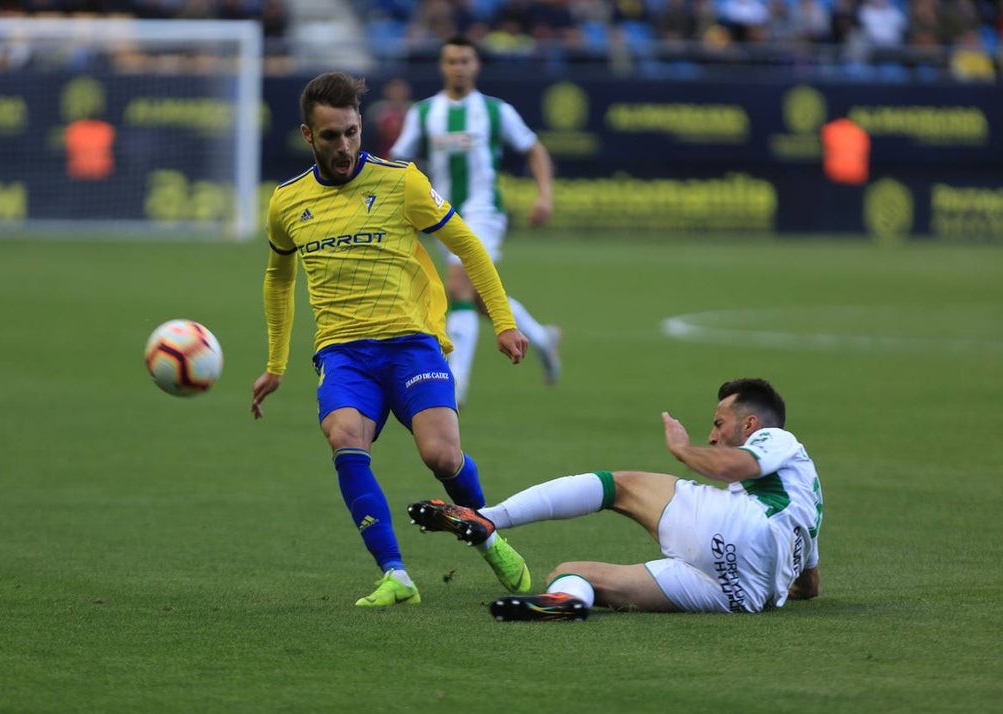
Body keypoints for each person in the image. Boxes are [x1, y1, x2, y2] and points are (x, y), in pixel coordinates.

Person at [251, 72, 532, 607]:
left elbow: (469, 247)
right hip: (343, 353)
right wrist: (275, 363)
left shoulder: (401, 181)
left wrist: (503, 321)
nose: (344, 146)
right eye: (331, 135)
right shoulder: (286, 203)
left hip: (410, 344)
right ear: (308, 136)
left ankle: (489, 535)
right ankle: (395, 575)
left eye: (352, 132)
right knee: (344, 438)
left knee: (442, 457)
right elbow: (277, 278)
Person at [408, 378, 823, 620]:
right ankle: (568, 601)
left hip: (739, 530)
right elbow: (810, 583)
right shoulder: (807, 502)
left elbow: (736, 466)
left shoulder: (777, 438)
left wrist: (683, 451)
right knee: (571, 572)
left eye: (718, 423)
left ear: (750, 423)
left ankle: (487, 518)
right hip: (740, 595)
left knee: (619, 486)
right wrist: (783, 586)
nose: (712, 435)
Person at [388, 34, 561, 409]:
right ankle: (542, 339)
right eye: (452, 61)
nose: (459, 67)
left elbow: (534, 149)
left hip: (485, 212)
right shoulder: (424, 113)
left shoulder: (496, 111)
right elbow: (398, 161)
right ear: (442, 66)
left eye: (465, 60)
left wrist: (544, 194)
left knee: (459, 288)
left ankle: (456, 384)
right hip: (442, 213)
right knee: (482, 298)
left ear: (476, 65)